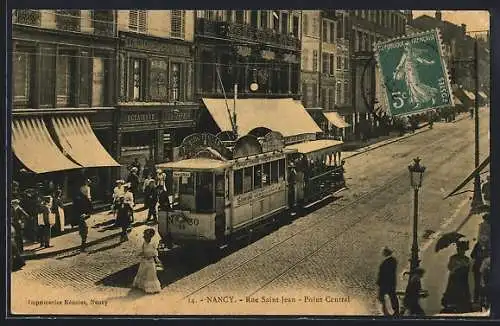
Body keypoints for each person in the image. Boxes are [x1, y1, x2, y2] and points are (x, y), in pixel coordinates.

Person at [441, 241, 472, 313]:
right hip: (454, 278)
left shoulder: (466, 259)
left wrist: (465, 266)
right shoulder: (453, 258)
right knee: (453, 291)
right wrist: (456, 267)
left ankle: (463, 304)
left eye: (463, 250)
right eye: (460, 250)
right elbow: (450, 267)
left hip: (463, 278)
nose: (462, 252)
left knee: (463, 291)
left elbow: (468, 268)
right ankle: (452, 304)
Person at [132, 228, 162, 294]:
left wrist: (157, 259)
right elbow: (142, 251)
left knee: (151, 275)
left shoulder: (153, 243)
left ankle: (152, 288)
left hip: (151, 260)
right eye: (145, 237)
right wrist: (140, 254)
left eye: (148, 237)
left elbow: (155, 252)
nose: (146, 239)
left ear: (151, 237)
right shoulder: (143, 244)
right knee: (142, 272)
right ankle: (141, 285)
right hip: (144, 260)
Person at [376, 247, 399, 316]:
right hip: (389, 283)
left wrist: (379, 281)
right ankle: (391, 311)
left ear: (386, 253)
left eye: (384, 252)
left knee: (384, 297)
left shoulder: (389, 261)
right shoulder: (392, 260)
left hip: (386, 283)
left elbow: (384, 273)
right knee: (391, 296)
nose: (383, 253)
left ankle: (387, 312)